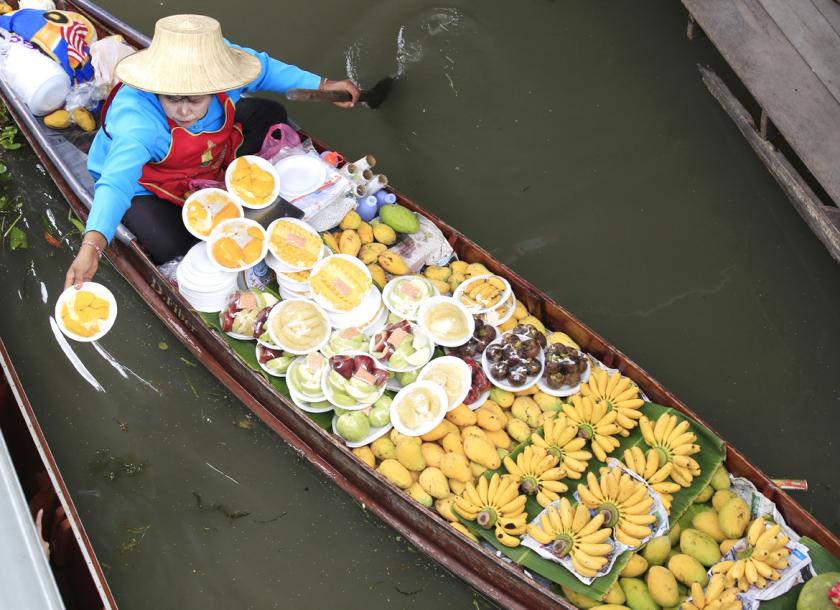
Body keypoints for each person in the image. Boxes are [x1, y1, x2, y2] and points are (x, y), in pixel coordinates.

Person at [64, 14, 358, 289]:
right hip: (150, 180)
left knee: (270, 112)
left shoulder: (223, 67)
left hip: (207, 154)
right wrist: (92, 246)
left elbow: (265, 70)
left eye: (194, 99)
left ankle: (226, 183)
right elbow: (116, 182)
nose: (183, 111)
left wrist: (323, 86)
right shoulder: (137, 123)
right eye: (171, 98)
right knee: (169, 244)